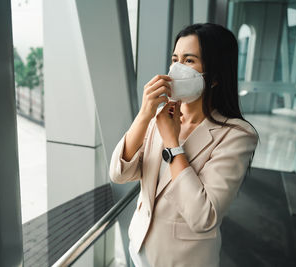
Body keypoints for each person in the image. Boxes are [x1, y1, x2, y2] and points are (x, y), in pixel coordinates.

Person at [109, 23, 258, 267]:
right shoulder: (162, 115)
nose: (176, 68)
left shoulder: (237, 135)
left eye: (189, 61)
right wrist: (144, 115)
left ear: (215, 77)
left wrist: (172, 142)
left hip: (184, 261)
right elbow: (119, 173)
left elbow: (204, 216)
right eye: (175, 58)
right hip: (139, 249)